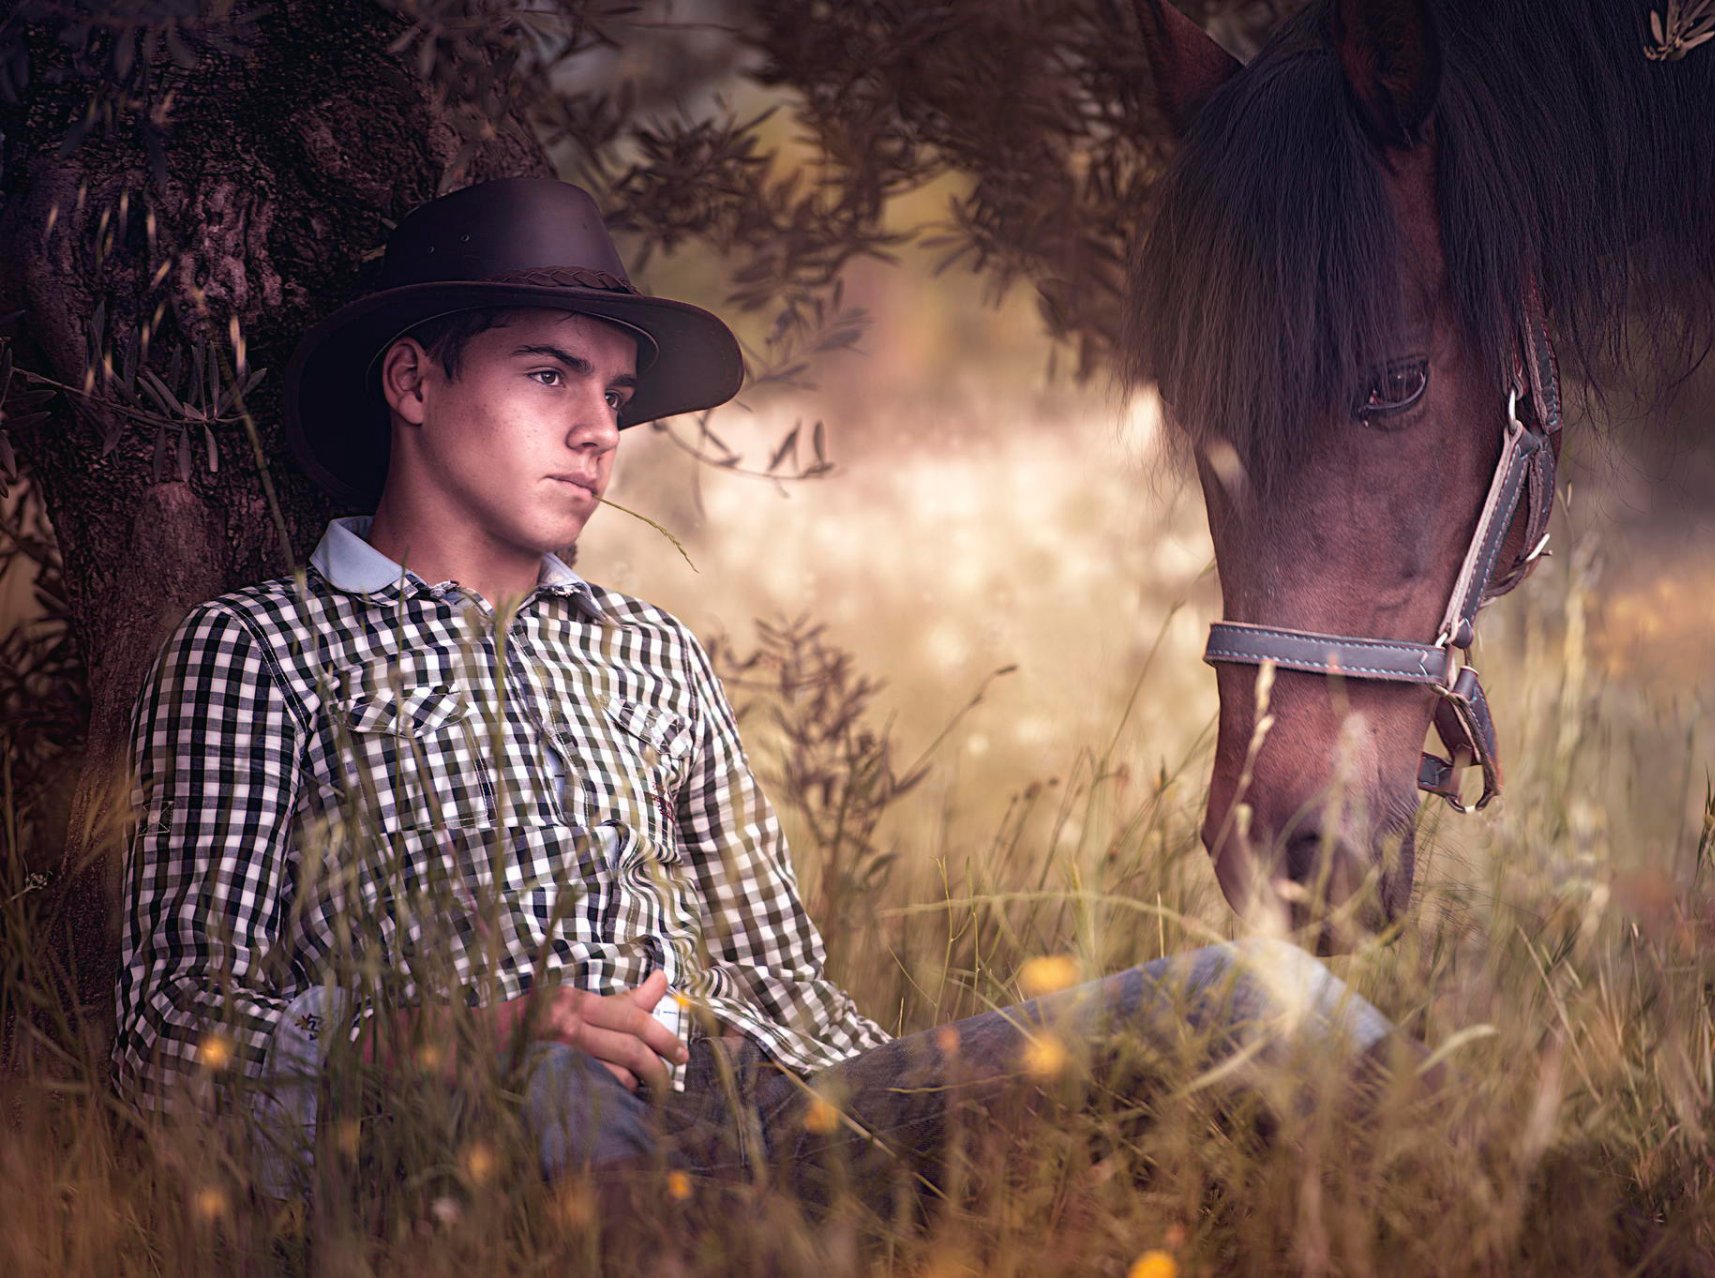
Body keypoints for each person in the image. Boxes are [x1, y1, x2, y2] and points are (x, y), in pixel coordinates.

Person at [111, 176, 1405, 1212]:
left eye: (615, 395)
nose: (599, 430)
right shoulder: (263, 649)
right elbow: (173, 1041)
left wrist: (938, 1105)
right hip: (504, 1120)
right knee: (562, 1095)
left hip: (759, 1109)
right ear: (413, 383)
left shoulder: (650, 651)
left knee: (1275, 1000)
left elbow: (784, 983)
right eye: (549, 374)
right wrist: (479, 1030)